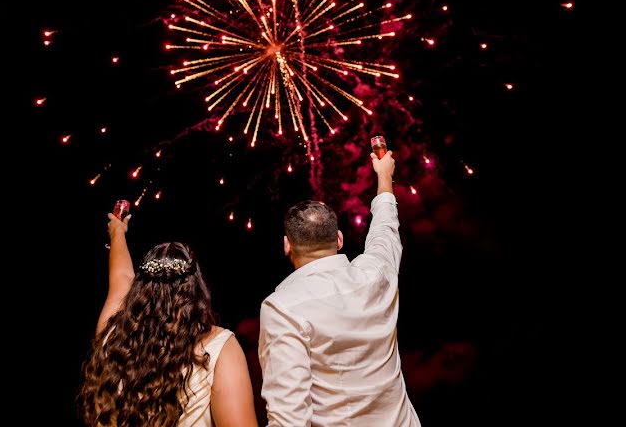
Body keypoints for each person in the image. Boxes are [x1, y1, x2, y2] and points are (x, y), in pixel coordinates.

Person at [258, 149, 421, 426]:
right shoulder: (375, 274)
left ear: (287, 246)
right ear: (339, 239)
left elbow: (289, 419)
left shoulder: (282, 309)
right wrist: (384, 175)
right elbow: (385, 228)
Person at [77, 211, 258, 427]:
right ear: (196, 292)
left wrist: (117, 231)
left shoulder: (113, 334)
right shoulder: (219, 346)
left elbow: (121, 277)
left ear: (139, 290)